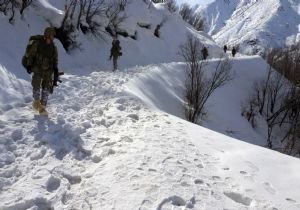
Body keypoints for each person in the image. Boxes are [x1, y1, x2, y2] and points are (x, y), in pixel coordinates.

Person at [24, 27, 59, 115]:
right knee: (36, 86)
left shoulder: (53, 47)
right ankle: (36, 103)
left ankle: (42, 108)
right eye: (52, 35)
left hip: (48, 71)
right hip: (38, 69)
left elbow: (55, 59)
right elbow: (31, 54)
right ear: (47, 35)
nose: (53, 37)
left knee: (46, 89)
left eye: (53, 35)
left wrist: (55, 68)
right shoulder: (38, 43)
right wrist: (29, 65)